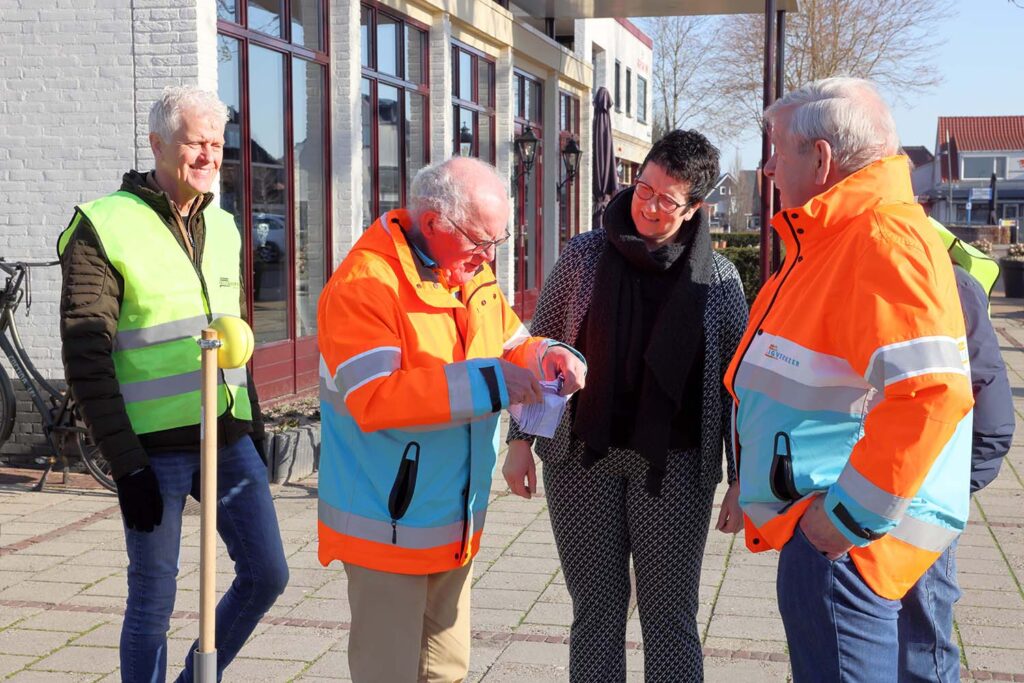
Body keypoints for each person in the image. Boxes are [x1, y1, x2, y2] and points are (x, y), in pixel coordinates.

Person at [724, 77, 975, 682]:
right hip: (845, 531)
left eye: (776, 149)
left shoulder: (876, 238)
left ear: (821, 157)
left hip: (847, 540)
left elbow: (931, 396)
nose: (766, 168)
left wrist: (844, 522)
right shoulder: (841, 237)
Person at [316, 156, 587, 683]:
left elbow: (510, 344)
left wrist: (546, 354)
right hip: (387, 528)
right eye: (482, 241)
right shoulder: (366, 285)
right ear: (436, 222)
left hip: (450, 523)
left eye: (497, 242)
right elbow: (374, 398)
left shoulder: (469, 273)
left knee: (445, 672)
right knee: (388, 674)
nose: (489, 255)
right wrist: (489, 383)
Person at [58, 86, 288, 683]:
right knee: (153, 603)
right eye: (196, 143)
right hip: (152, 451)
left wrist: (254, 425)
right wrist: (124, 464)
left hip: (226, 436)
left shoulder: (226, 223)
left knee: (268, 574)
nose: (210, 155)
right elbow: (86, 355)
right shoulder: (102, 227)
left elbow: (230, 334)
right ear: (158, 144)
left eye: (217, 143)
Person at [503, 130, 749, 682]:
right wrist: (519, 442)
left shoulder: (719, 278)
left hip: (678, 468)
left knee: (670, 620)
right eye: (645, 187)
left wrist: (742, 477)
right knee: (595, 614)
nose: (649, 205)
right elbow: (537, 350)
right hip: (580, 462)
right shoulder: (585, 256)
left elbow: (740, 387)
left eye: (668, 198)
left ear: (695, 209)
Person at [897, 232, 1014, 682]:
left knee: (922, 642)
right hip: (866, 490)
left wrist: (949, 491)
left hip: (923, 502)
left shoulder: (952, 286)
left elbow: (995, 419)